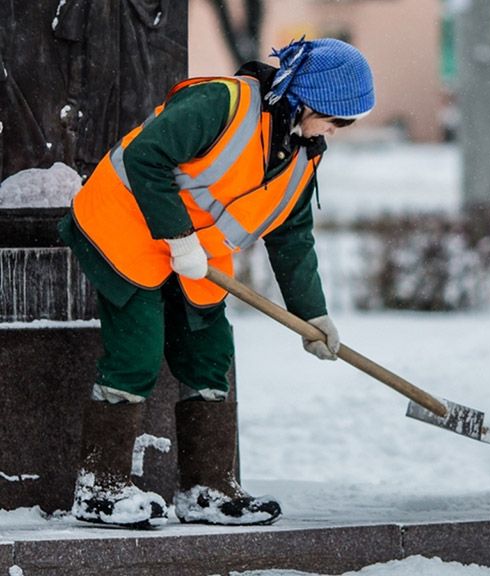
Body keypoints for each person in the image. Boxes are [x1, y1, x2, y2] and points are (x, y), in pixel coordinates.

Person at [58, 37, 374, 529]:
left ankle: (206, 490)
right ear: (305, 99)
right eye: (336, 119)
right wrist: (177, 237)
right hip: (127, 226)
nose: (338, 131)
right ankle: (99, 489)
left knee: (209, 353)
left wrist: (312, 313)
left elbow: (291, 234)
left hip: (198, 256)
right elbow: (145, 158)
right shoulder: (221, 104)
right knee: (137, 350)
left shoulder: (304, 151)